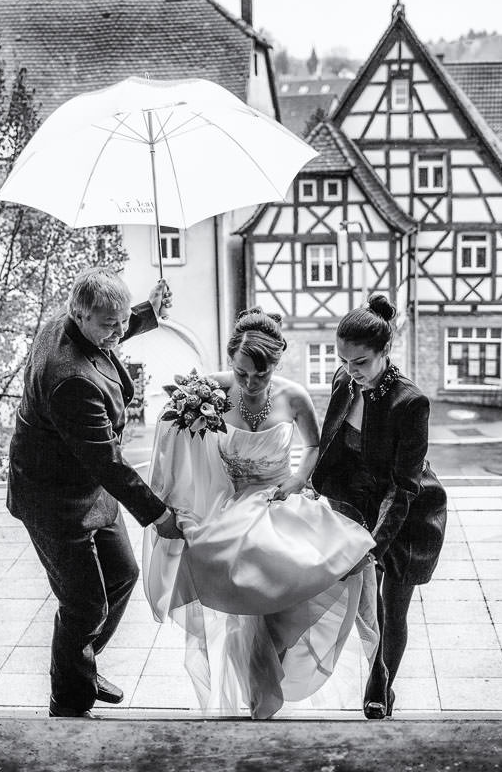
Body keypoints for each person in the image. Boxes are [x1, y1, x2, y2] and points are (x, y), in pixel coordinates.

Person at [141, 308, 377, 719]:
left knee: (316, 575)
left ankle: (275, 667)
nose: (250, 383)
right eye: (242, 372)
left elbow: (314, 446)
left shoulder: (294, 396)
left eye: (261, 375)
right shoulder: (208, 390)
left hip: (281, 499)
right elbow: (170, 431)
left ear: (277, 364)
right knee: (243, 593)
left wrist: (298, 480)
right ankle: (258, 684)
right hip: (231, 505)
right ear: (230, 360)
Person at [6, 267, 184, 719]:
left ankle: (77, 664)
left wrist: (149, 312)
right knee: (84, 604)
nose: (119, 332)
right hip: (54, 498)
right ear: (79, 315)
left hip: (85, 480)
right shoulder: (71, 379)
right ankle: (68, 703)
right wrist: (159, 515)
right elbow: (107, 462)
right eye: (110, 324)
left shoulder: (73, 322)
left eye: (123, 321)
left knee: (123, 574)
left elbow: (111, 327)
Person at [311, 294, 448, 720]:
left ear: (385, 350)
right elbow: (333, 443)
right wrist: (319, 490)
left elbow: (404, 486)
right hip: (359, 502)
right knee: (368, 606)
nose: (351, 370)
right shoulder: (344, 380)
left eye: (361, 362)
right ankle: (377, 675)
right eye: (344, 360)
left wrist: (374, 545)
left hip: (408, 513)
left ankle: (380, 687)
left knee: (393, 606)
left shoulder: (411, 403)